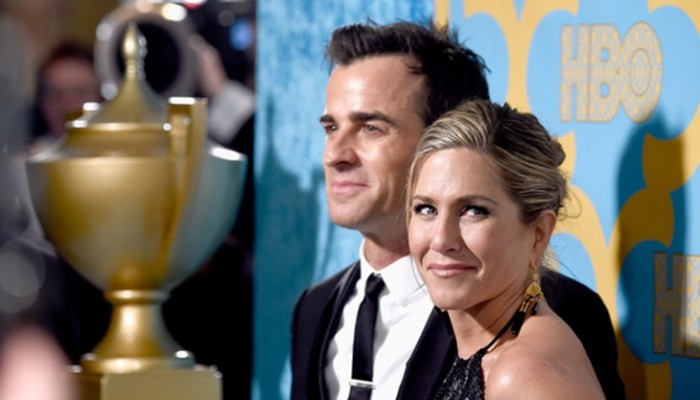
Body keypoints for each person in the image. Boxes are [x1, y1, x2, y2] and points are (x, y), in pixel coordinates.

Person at [290, 20, 625, 400]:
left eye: (371, 128)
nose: (335, 155)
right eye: (331, 128)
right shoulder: (314, 308)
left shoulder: (556, 317)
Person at [406, 99, 604, 399]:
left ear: (538, 234)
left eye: (474, 211)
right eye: (426, 209)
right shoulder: (486, 352)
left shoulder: (526, 375)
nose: (441, 240)